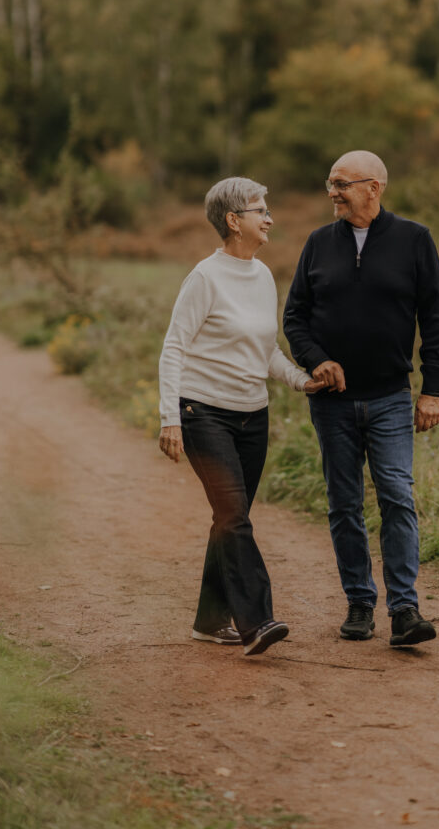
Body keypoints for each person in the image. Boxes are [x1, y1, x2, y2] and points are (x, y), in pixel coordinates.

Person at [283, 150, 439, 648]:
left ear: (374, 188)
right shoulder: (317, 244)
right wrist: (316, 360)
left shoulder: (414, 240)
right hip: (332, 403)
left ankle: (404, 610)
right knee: (344, 504)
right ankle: (359, 603)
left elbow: (435, 319)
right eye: (329, 184)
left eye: (342, 184)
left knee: (398, 496)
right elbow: (294, 317)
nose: (332, 192)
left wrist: (433, 390)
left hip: (391, 399)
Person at [158, 177, 323, 657]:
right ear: (234, 220)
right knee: (233, 517)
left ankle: (210, 622)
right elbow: (173, 349)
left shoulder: (263, 275)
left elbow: (265, 348)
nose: (269, 218)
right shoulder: (205, 278)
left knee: (230, 519)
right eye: (260, 210)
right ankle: (256, 621)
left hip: (253, 415)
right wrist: (170, 417)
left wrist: (299, 380)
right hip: (202, 412)